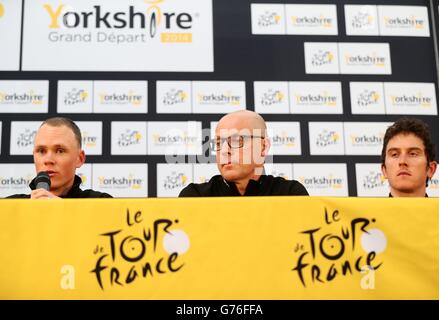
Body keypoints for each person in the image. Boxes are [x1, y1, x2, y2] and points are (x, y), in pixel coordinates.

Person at [179, 110, 308, 196]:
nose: (224, 151)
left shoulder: (289, 194)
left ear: (263, 147)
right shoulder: (195, 196)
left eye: (236, 141)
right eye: (218, 143)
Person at [7, 117, 112, 199]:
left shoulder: (102, 203)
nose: (48, 160)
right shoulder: (9, 208)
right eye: (41, 151)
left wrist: (61, 209)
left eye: (59, 151)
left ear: (79, 158)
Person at [381, 117, 437, 197]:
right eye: (394, 154)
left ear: (430, 169)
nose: (402, 161)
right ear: (384, 170)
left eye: (413, 154)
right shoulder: (365, 210)